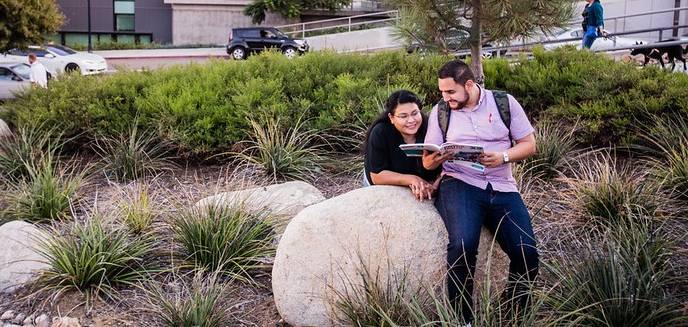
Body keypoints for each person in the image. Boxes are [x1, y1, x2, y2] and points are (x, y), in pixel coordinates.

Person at [422, 60, 539, 324]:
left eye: (451, 92)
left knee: (527, 252)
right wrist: (438, 157)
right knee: (463, 245)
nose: (445, 98)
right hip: (460, 182)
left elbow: (529, 144)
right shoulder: (441, 111)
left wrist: (503, 157)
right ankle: (463, 320)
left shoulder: (504, 103)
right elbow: (427, 161)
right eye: (442, 92)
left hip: (502, 186)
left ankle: (514, 314)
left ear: (469, 85)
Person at [363, 90, 441, 200]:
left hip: (423, 181)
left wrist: (435, 185)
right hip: (387, 180)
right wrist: (412, 179)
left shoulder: (429, 128)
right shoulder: (380, 132)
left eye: (415, 113)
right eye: (403, 116)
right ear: (392, 118)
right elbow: (377, 175)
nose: (411, 120)